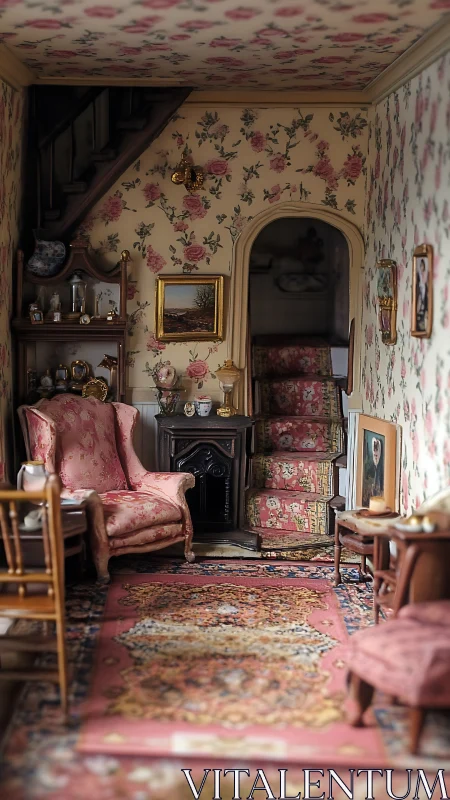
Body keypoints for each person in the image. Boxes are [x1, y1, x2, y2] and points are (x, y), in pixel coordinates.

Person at [416, 258, 428, 331]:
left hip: (424, 289)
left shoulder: (425, 274)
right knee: (420, 302)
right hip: (420, 289)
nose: (422, 267)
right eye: (421, 266)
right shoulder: (419, 274)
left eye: (422, 266)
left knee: (423, 301)